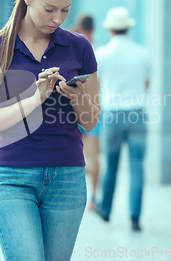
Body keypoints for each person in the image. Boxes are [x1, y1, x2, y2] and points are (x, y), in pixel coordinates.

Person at [0, 0, 100, 260]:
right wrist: (33, 99)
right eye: (50, 9)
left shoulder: (80, 47)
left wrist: (77, 97)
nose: (58, 19)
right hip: (14, 178)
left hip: (68, 178)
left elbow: (92, 121)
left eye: (65, 11)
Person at [94, 7, 151, 232]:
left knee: (111, 164)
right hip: (137, 113)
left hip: (113, 114)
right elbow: (147, 84)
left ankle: (106, 210)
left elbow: (96, 86)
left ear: (110, 29)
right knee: (137, 166)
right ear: (129, 27)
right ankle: (135, 217)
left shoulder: (103, 54)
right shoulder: (143, 53)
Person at [73, 14, 101, 211]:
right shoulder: (97, 49)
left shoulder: (76, 47)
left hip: (76, 104)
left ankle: (82, 195)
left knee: (80, 154)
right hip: (95, 105)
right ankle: (92, 196)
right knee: (93, 155)